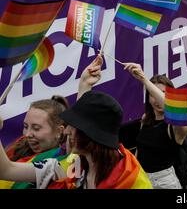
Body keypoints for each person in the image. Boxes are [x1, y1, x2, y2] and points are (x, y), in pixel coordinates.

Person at [0, 55, 152, 189]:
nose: (66, 132)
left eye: (72, 128)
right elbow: (6, 170)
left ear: (90, 135)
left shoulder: (132, 179)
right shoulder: (70, 164)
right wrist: (84, 84)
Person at [123, 63, 187, 189]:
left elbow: (175, 110)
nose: (156, 100)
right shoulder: (146, 119)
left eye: (163, 93)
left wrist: (143, 79)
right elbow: (141, 148)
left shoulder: (176, 126)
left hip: (164, 183)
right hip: (142, 178)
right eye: (152, 95)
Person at [0, 96, 69, 189]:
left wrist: (84, 86)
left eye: (36, 128)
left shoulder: (63, 162)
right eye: (25, 126)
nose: (27, 134)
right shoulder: (18, 147)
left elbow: (6, 170)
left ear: (59, 131)